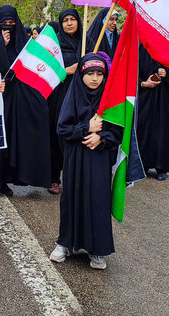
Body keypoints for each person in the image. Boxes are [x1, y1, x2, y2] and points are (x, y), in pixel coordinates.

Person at [50, 53, 121, 270]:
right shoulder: (72, 96)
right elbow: (62, 128)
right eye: (90, 73)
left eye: (99, 74)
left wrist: (102, 137)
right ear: (81, 74)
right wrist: (86, 129)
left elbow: (118, 131)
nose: (94, 78)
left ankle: (97, 249)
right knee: (72, 198)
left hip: (99, 157)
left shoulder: (110, 100)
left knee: (98, 200)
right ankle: (65, 243)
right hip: (76, 157)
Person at [0, 5, 53, 194]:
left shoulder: (25, 43)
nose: (8, 26)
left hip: (18, 100)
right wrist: (0, 48)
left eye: (12, 23)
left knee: (15, 139)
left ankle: (13, 177)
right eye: (4, 23)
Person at [46, 9, 93, 194]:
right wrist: (68, 70)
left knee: (79, 134)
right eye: (65, 20)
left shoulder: (87, 43)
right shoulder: (54, 44)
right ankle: (53, 178)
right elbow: (47, 70)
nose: (69, 23)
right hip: (59, 95)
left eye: (73, 19)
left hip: (82, 96)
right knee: (59, 134)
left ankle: (75, 177)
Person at [136, 44, 169, 181]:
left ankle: (161, 167)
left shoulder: (166, 49)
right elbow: (128, 73)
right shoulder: (138, 48)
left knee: (160, 133)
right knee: (143, 130)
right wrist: (142, 83)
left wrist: (166, 74)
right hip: (143, 99)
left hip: (161, 101)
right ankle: (142, 165)